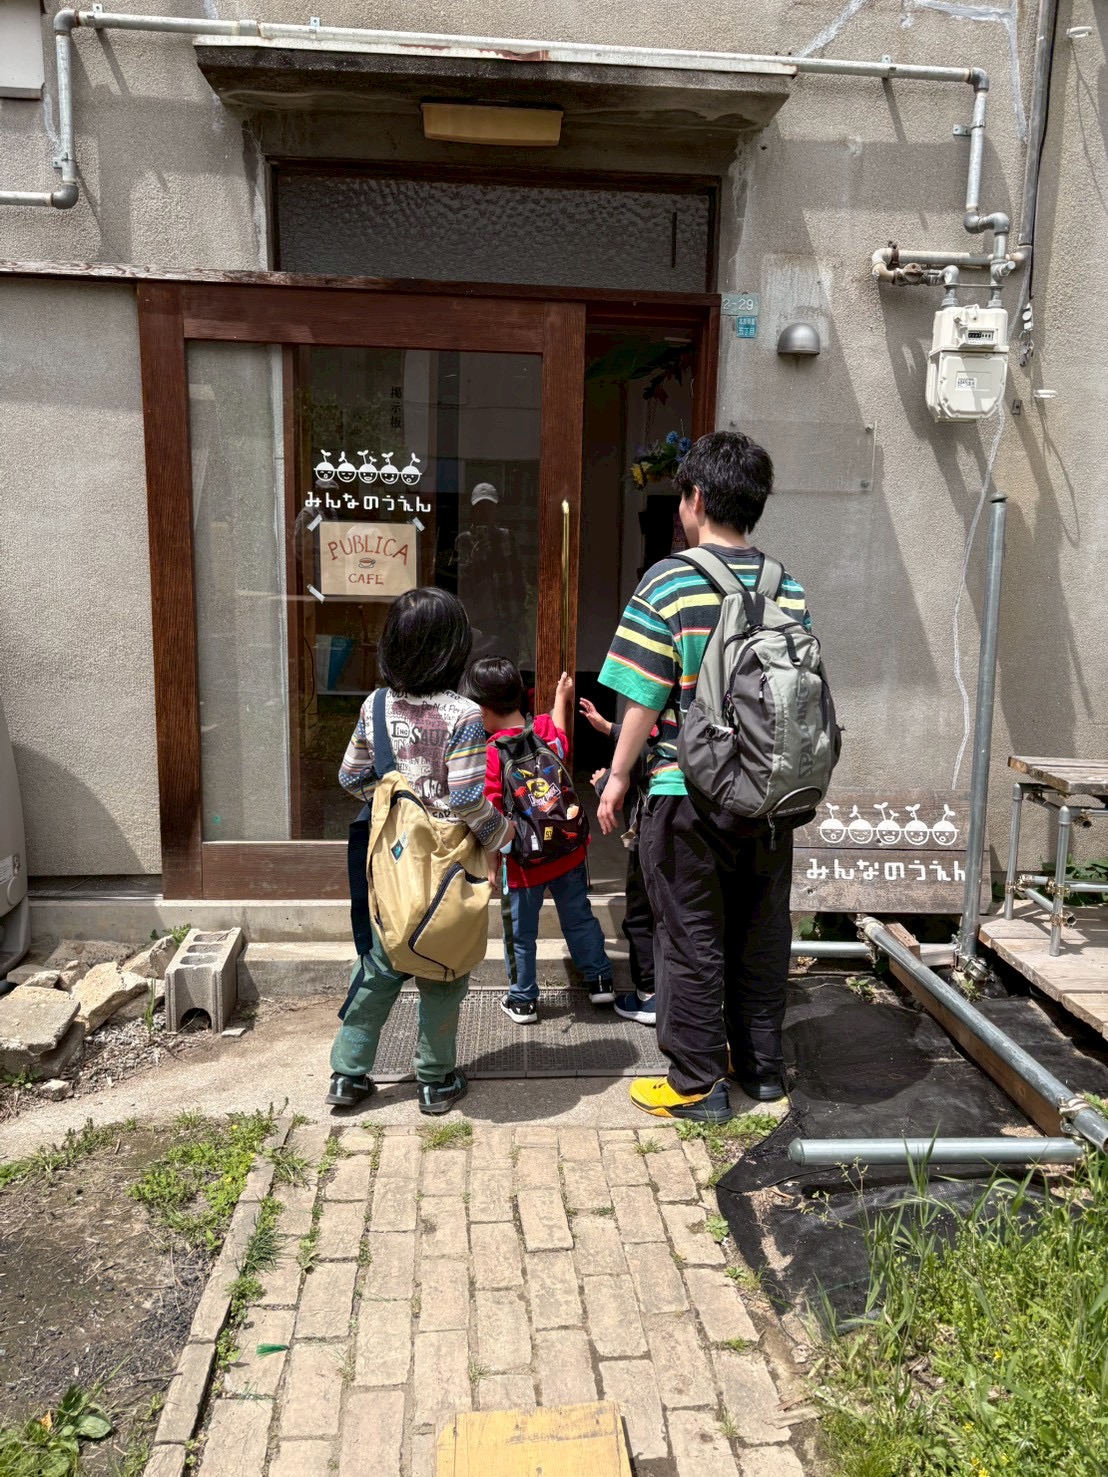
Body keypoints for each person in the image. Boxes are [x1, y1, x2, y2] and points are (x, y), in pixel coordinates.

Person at [597, 431, 812, 1123]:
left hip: (684, 792)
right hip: (770, 795)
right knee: (760, 931)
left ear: (693, 498)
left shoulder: (669, 579)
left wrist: (616, 777)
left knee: (690, 937)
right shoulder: (788, 584)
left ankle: (696, 1083)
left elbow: (642, 696)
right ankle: (764, 1070)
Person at [326, 588, 512, 1114]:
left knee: (380, 966)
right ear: (453, 650)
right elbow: (470, 798)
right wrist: (505, 836)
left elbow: (349, 777)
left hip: (392, 863)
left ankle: (347, 1073)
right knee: (444, 972)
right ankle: (434, 1080)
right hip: (449, 866)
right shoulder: (465, 715)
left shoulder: (374, 703)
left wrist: (394, 799)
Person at [463, 658, 615, 1024]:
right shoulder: (543, 730)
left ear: (483, 711)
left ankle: (523, 999)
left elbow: (493, 815)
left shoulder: (492, 755)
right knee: (579, 918)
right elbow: (560, 742)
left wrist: (491, 865)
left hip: (523, 866)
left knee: (521, 933)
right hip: (568, 850)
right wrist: (561, 698)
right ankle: (599, 980)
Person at [580, 698, 657, 1026]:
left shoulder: (652, 734)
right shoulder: (692, 711)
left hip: (654, 836)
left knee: (642, 917)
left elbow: (638, 754)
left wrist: (604, 781)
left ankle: (650, 996)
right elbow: (644, 731)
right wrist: (608, 727)